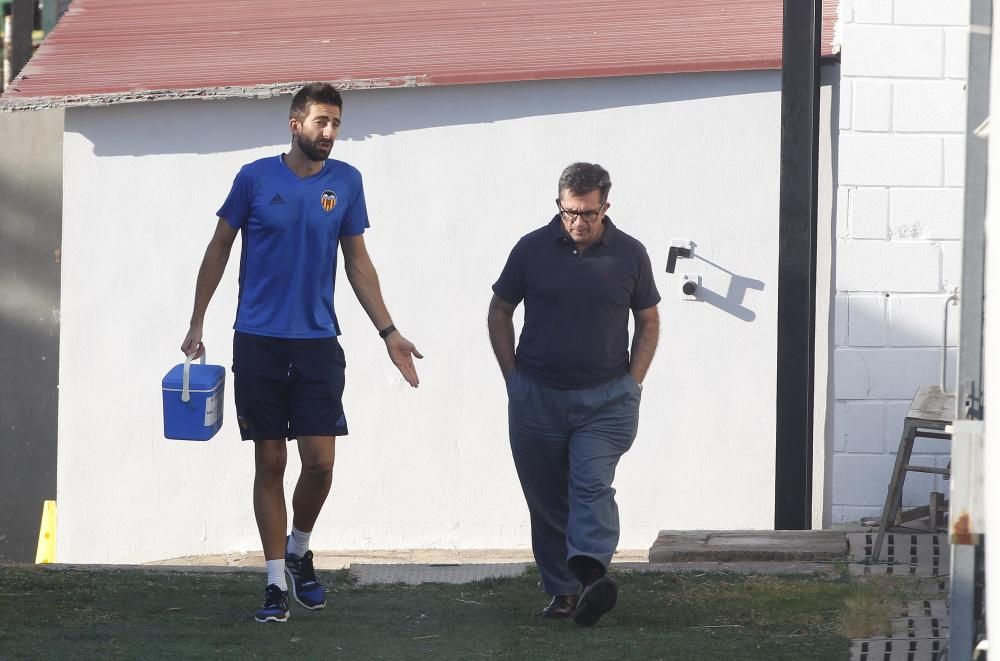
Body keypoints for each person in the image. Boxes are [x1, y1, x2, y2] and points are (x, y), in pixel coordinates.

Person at [181, 83, 422, 623]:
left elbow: (358, 262)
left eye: (336, 122)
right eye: (320, 121)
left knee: (320, 463)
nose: (330, 132)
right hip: (259, 341)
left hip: (317, 343)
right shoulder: (254, 178)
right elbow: (218, 248)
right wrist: (198, 319)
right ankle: (272, 582)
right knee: (270, 461)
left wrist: (389, 332)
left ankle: (298, 550)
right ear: (296, 123)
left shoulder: (347, 183)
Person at [487, 162, 660, 627]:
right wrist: (512, 378)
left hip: (605, 401)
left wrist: (633, 381)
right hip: (536, 396)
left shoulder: (630, 254)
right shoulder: (530, 249)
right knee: (545, 499)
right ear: (559, 204)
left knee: (590, 485)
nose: (578, 222)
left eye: (588, 213)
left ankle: (590, 571)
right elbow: (500, 310)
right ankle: (564, 593)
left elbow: (649, 320)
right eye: (569, 212)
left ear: (605, 206)